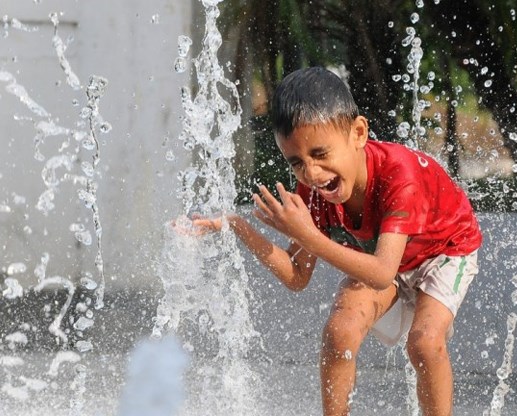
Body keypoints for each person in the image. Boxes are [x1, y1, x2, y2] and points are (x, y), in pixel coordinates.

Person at [188, 66, 482, 416]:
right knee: (338, 332)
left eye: (321, 154)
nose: (311, 173)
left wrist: (307, 235)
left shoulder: (399, 176)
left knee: (424, 343)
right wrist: (237, 225)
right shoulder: (313, 191)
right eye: (296, 162)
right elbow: (297, 276)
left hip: (445, 252)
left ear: (358, 133)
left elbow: (381, 274)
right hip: (384, 259)